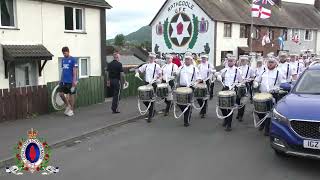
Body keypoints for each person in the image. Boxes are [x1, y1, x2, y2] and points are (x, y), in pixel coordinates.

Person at [253, 58, 285, 136]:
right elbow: (257, 80)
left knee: (269, 113)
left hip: (273, 96)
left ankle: (267, 128)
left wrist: (276, 90)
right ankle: (262, 123)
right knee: (259, 111)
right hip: (262, 95)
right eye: (269, 62)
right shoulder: (263, 71)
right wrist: (256, 83)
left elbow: (283, 85)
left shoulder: (279, 72)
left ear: (275, 63)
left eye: (272, 62)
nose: (270, 64)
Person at [217, 55, 243, 131]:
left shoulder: (238, 71)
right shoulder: (225, 70)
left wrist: (239, 84)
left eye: (231, 61)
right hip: (225, 88)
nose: (230, 62)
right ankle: (226, 118)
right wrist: (218, 76)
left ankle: (229, 125)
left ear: (235, 62)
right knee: (222, 106)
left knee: (230, 107)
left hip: (233, 89)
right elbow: (219, 74)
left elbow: (241, 81)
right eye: (229, 61)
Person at [176, 53, 201, 127]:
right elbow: (176, 75)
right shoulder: (181, 67)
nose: (187, 61)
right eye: (186, 59)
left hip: (190, 87)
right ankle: (186, 112)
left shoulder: (194, 68)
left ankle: (186, 120)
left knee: (187, 103)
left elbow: (199, 78)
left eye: (188, 59)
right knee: (179, 103)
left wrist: (196, 83)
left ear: (191, 60)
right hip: (181, 87)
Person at [135, 52, 162, 123]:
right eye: (150, 57)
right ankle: (152, 110)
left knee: (151, 100)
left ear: (154, 58)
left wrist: (159, 79)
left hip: (153, 84)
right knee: (144, 99)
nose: (151, 59)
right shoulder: (145, 65)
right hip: (146, 84)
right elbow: (138, 69)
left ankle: (150, 116)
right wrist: (137, 73)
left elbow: (160, 75)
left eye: (152, 58)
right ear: (148, 58)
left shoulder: (157, 66)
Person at [58, 47, 78, 117]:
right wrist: (60, 80)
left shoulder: (73, 59)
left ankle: (71, 110)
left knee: (71, 95)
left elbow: (74, 71)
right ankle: (68, 105)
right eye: (63, 53)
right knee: (61, 94)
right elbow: (63, 70)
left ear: (68, 52)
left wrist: (74, 81)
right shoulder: (63, 60)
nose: (64, 54)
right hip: (64, 81)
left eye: (65, 53)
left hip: (71, 81)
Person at [197, 53, 215, 118]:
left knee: (205, 96)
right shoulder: (199, 65)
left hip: (207, 81)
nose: (203, 59)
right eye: (202, 58)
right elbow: (197, 73)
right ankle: (202, 107)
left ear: (207, 59)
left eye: (204, 58)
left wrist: (211, 70)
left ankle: (203, 111)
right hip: (200, 81)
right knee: (198, 96)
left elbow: (213, 71)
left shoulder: (210, 65)